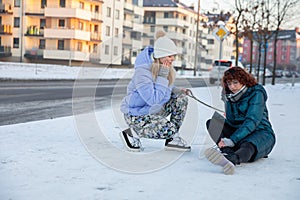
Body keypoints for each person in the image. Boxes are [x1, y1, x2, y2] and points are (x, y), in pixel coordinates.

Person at [119, 30, 191, 152]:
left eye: (174, 56)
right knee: (170, 130)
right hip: (137, 115)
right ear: (160, 56)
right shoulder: (142, 72)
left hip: (153, 111)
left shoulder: (162, 68)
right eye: (169, 56)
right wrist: (163, 74)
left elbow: (161, 88)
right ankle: (132, 133)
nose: (172, 59)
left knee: (181, 100)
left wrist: (177, 90)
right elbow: (153, 99)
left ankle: (172, 140)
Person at [204, 66, 276, 175]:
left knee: (248, 145)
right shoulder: (230, 96)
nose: (232, 87)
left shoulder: (256, 93)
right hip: (239, 132)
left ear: (243, 80)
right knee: (213, 122)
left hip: (260, 132)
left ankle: (233, 159)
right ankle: (226, 152)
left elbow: (252, 120)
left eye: (235, 83)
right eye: (229, 83)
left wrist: (232, 140)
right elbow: (232, 120)